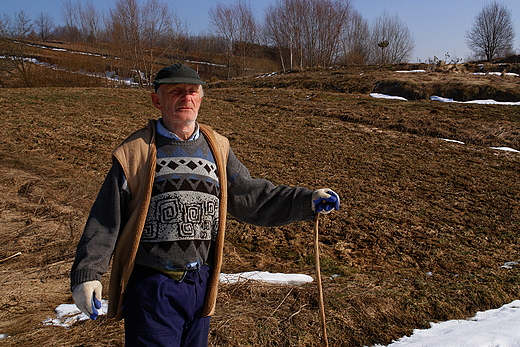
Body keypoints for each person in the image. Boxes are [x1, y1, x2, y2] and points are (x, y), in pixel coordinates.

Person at [70, 63, 340, 347]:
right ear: (156, 100)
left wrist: (305, 200)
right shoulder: (136, 151)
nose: (185, 98)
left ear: (201, 98)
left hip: (201, 284)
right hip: (153, 285)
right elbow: (105, 218)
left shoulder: (217, 147)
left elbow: (251, 196)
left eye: (192, 91)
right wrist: (87, 274)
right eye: (175, 91)